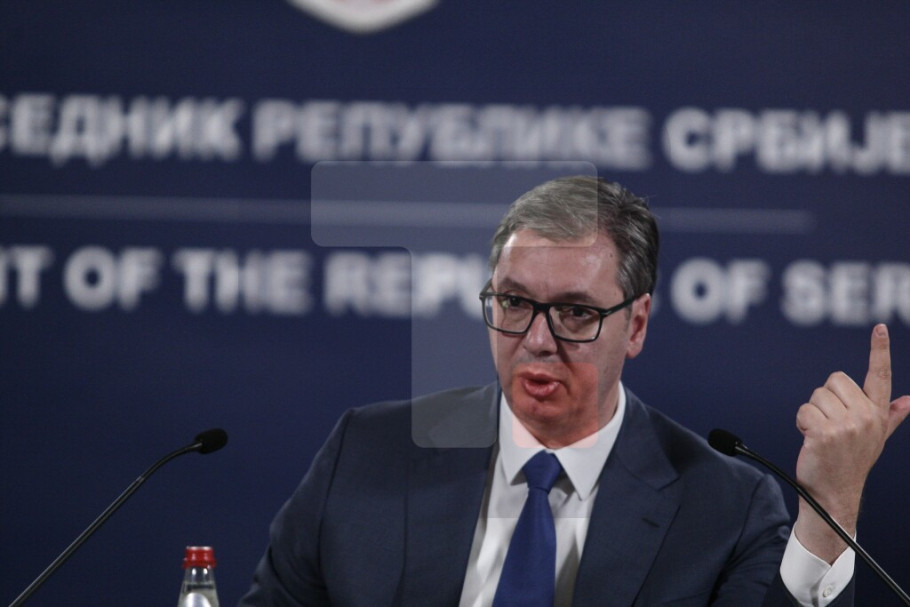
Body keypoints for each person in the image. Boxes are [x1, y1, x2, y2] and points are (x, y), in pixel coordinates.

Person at [239, 176, 909, 606]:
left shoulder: (725, 506)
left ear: (636, 324)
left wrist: (829, 509)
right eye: (513, 302)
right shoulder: (369, 451)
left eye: (575, 312)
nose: (537, 339)